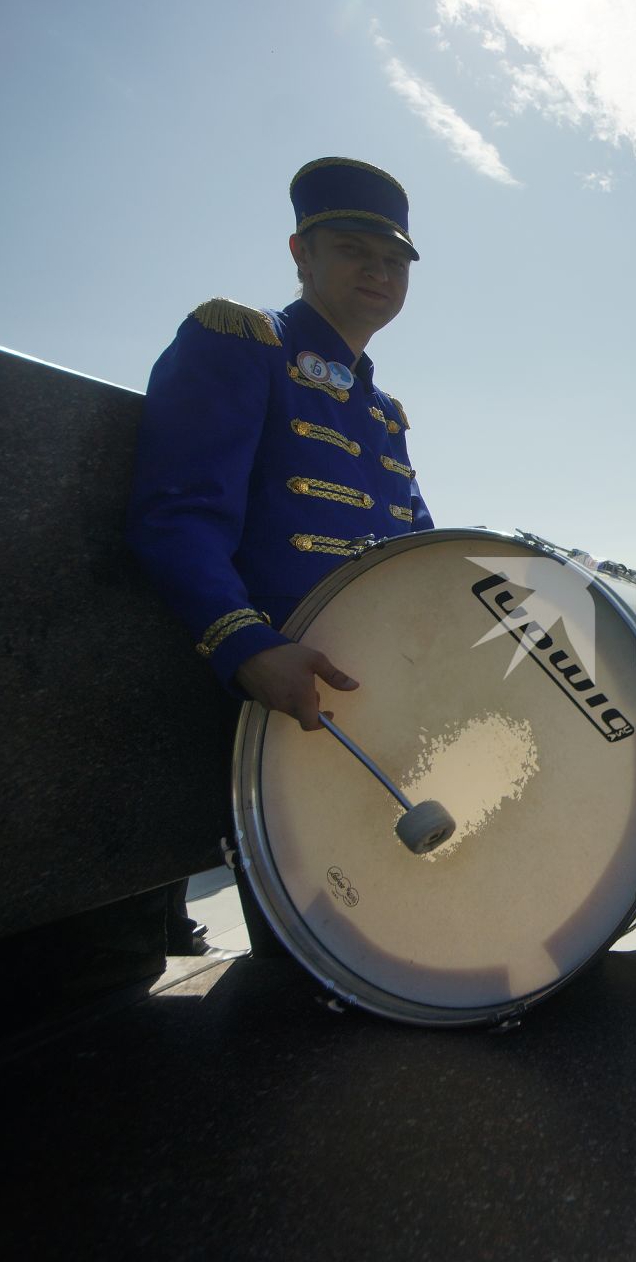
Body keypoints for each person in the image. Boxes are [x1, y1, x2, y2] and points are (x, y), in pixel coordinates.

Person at [128, 156, 431, 952]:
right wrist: (247, 646)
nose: (379, 271)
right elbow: (176, 516)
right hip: (270, 707)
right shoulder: (241, 341)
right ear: (301, 253)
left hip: (376, 703)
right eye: (354, 250)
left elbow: (418, 557)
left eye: (395, 259)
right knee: (312, 970)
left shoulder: (383, 410)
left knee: (402, 941)